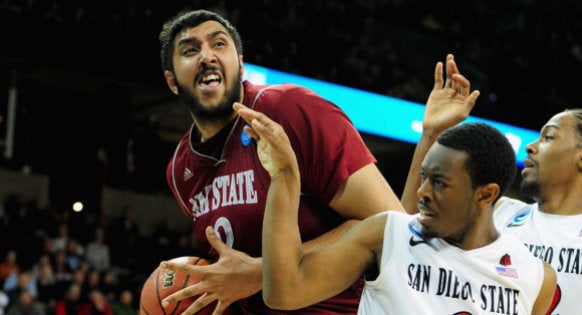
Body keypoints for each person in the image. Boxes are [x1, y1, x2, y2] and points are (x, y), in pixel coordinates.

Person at [156, 8, 408, 314]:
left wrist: (262, 272)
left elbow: (391, 226)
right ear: (171, 81)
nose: (207, 56)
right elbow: (231, 273)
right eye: (190, 50)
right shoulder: (180, 170)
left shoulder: (289, 109)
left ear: (240, 63)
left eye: (219, 44)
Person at [235, 101, 557, 313]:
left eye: (440, 183)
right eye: (424, 177)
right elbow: (285, 292)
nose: (423, 191)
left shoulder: (536, 277)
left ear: (486, 195)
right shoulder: (386, 233)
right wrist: (285, 178)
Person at [405, 102, 582, 313]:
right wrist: (431, 135)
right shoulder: (498, 211)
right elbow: (406, 231)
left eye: (548, 137)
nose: (531, 147)